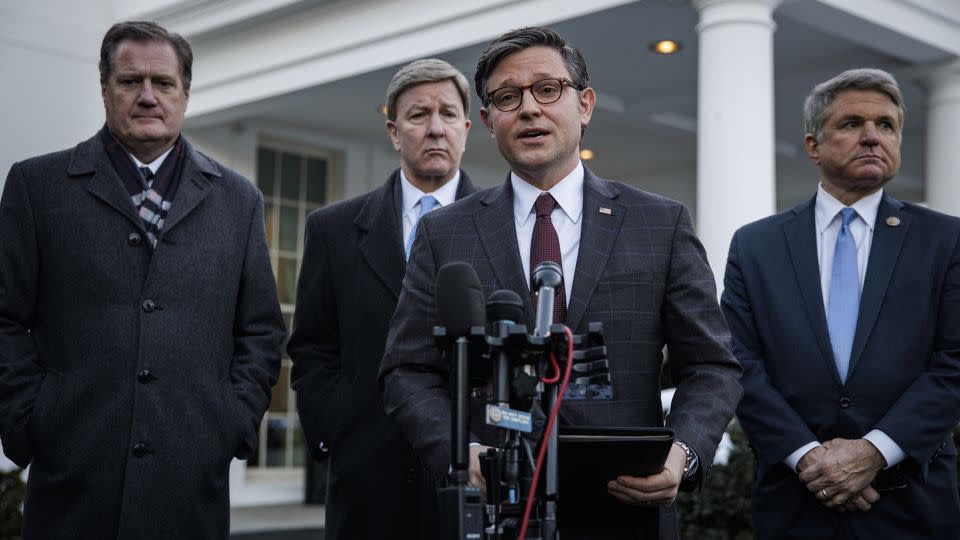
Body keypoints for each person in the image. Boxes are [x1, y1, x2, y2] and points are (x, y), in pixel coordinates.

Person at [379, 27, 742, 539]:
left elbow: (712, 365)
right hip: (495, 511)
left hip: (627, 507)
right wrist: (461, 454)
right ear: (487, 120)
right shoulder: (444, 233)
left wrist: (682, 455)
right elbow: (406, 369)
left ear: (585, 104)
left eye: (547, 90)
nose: (529, 109)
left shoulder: (660, 224)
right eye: (508, 97)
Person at [0, 21, 285, 539]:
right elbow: (4, 318)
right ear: (105, 89)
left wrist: (229, 423)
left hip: (190, 487)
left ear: (185, 94)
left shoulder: (239, 201)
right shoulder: (36, 187)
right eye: (131, 82)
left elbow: (262, 332)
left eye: (164, 83)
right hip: (73, 486)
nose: (148, 96)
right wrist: (30, 419)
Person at [721, 68, 960, 539]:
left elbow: (955, 361)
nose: (872, 136)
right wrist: (808, 457)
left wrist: (872, 453)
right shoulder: (756, 246)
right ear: (813, 146)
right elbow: (737, 363)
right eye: (852, 123)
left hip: (912, 501)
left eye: (886, 125)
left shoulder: (946, 240)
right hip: (795, 500)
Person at [287, 58, 477, 540]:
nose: (435, 128)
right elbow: (312, 348)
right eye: (418, 115)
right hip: (366, 479)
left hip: (471, 473)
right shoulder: (331, 230)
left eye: (448, 114)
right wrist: (336, 434)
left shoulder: (503, 227)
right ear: (394, 132)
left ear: (467, 128)